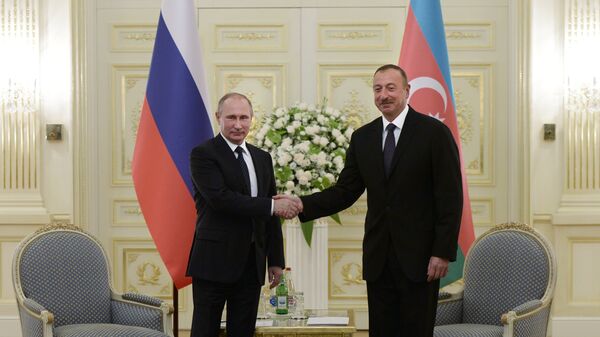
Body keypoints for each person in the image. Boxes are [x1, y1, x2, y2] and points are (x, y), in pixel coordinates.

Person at [277, 64, 463, 337]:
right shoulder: (362, 137)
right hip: (379, 258)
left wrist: (442, 251)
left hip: (422, 258)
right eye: (377, 89)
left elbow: (450, 197)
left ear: (406, 91)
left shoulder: (434, 133)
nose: (383, 95)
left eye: (390, 88)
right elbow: (345, 191)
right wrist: (302, 204)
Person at [186, 92, 300, 337]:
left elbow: (271, 216)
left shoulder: (262, 158)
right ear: (218, 118)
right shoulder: (203, 154)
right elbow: (221, 200)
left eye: (243, 118)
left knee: (244, 331)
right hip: (213, 262)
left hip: (251, 264)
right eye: (231, 117)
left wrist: (276, 261)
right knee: (204, 331)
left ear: (251, 119)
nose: (238, 124)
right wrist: (271, 206)